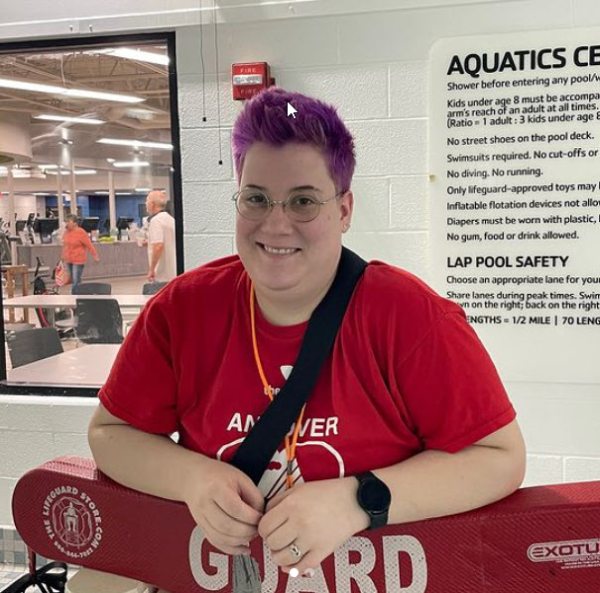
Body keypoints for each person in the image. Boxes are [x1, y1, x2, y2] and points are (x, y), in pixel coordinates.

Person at [88, 88, 525, 587]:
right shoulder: (181, 311)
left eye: (303, 201)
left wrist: (359, 500)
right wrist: (193, 478)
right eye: (256, 198)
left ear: (343, 210)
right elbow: (110, 434)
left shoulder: (412, 318)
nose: (275, 224)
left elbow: (500, 459)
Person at [61, 214, 99, 293]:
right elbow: (65, 245)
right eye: (66, 221)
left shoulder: (81, 232)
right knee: (73, 279)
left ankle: (74, 297)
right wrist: (63, 257)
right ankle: (81, 293)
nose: (67, 223)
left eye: (68, 221)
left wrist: (95, 255)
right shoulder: (66, 232)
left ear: (75, 223)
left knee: (76, 280)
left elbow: (89, 245)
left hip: (78, 260)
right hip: (69, 259)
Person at [144, 190, 176, 283]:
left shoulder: (156, 221)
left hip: (162, 275)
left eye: (147, 200)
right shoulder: (170, 219)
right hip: (173, 271)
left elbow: (158, 246)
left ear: (152, 204)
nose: (145, 203)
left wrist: (151, 269)